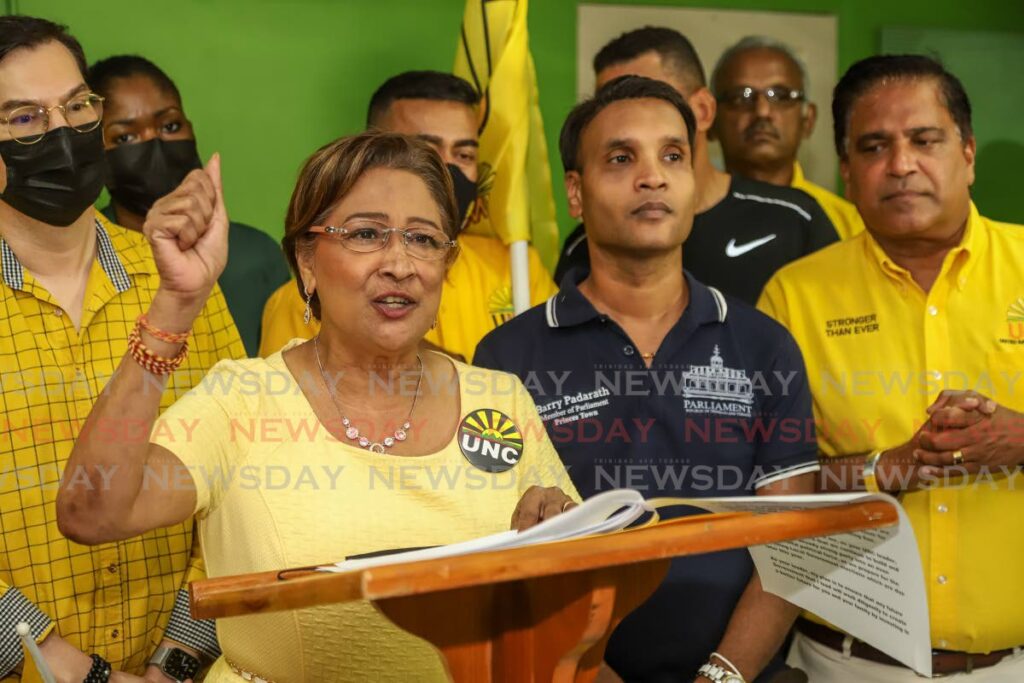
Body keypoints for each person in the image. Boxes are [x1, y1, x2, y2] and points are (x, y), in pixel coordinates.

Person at [57, 131, 578, 682]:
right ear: (307, 261)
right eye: (366, 234)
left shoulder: (497, 399)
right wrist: (176, 307)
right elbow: (92, 511)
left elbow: (574, 599)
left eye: (424, 240)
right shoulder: (243, 398)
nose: (399, 263)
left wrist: (560, 540)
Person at [475, 75, 819, 683]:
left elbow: (792, 543)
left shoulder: (764, 345)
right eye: (620, 158)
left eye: (673, 155)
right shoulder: (508, 356)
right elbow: (499, 552)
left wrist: (722, 675)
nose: (652, 176)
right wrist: (588, 671)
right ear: (575, 194)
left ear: (693, 181)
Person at [757, 55, 1024, 680]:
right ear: (848, 174)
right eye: (875, 146)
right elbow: (765, 495)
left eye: (924, 140)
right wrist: (884, 468)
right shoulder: (795, 298)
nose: (901, 164)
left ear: (968, 152)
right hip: (843, 664)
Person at [0, 15, 244, 682]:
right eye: (24, 119)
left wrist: (178, 660)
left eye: (76, 106)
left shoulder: (181, 279)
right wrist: (75, 672)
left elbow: (238, 481)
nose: (63, 133)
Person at [259, 71, 557, 359]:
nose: (446, 169)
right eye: (425, 151)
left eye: (464, 155)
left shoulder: (517, 267)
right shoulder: (314, 292)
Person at [554, 26, 837, 305]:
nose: (628, 115)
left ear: (703, 109)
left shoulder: (797, 220)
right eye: (608, 102)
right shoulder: (584, 246)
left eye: (650, 97)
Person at [88, 54, 290, 356]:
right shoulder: (87, 257)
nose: (154, 145)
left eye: (170, 126)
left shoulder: (255, 256)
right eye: (126, 136)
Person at [710, 36, 863, 240]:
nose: (762, 111)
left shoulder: (849, 226)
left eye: (781, 96)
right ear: (710, 119)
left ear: (808, 119)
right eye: (741, 96)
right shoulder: (686, 218)